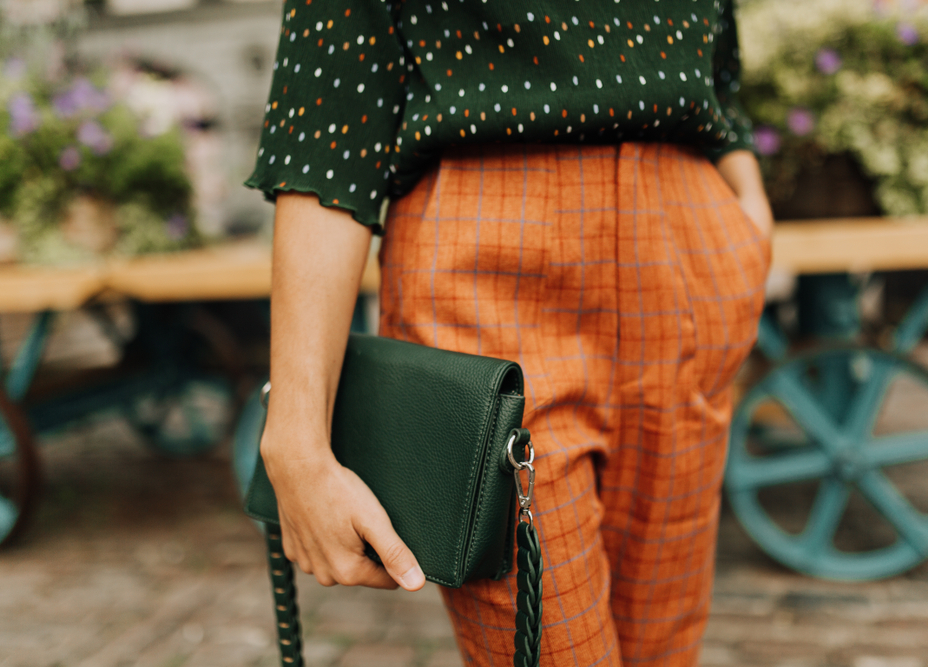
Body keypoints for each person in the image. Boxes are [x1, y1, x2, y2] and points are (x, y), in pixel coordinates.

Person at [247, 1, 772, 665]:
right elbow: (328, 139)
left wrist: (748, 212)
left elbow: (718, 75)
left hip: (689, 242)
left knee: (666, 648)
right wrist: (296, 441)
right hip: (488, 256)